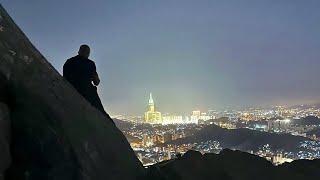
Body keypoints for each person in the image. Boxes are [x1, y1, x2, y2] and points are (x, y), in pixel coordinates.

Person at [63, 45, 113, 122]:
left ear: (79, 51)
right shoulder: (90, 64)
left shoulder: (69, 61)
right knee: (102, 113)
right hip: (88, 92)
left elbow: (65, 78)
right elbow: (96, 82)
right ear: (88, 54)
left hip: (71, 90)